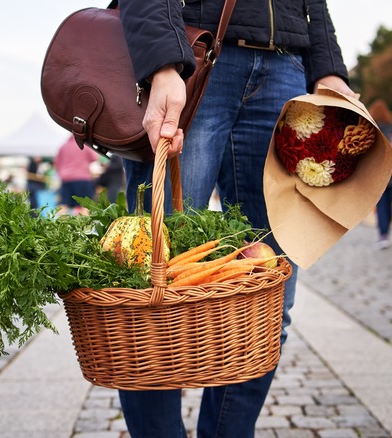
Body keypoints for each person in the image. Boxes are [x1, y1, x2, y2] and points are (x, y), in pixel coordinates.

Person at [117, 1, 353, 436]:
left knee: (268, 302)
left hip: (286, 66)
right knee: (149, 298)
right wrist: (162, 62)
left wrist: (327, 65)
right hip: (193, 49)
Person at [368, 99, 392, 249]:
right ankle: (387, 231)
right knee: (389, 203)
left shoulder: (371, 126)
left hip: (378, 172)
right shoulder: (391, 127)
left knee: (381, 204)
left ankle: (382, 233)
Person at [53, 137, 98, 214]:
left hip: (66, 179)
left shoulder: (63, 146)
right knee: (85, 205)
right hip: (82, 178)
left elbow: (56, 163)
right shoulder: (84, 145)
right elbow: (94, 158)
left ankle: (60, 224)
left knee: (64, 204)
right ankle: (85, 225)